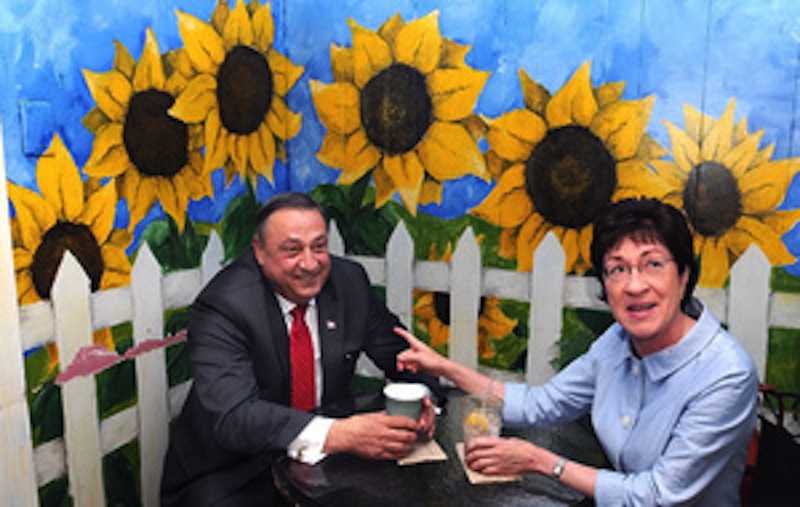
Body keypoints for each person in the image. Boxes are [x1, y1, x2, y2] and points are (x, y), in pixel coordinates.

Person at [396, 197, 758, 506]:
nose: (634, 285)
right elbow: (540, 405)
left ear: (684, 277)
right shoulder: (617, 343)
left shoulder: (725, 374)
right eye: (617, 269)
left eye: (653, 264)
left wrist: (541, 461)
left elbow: (656, 496)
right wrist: (442, 365)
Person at [161, 192, 443, 506]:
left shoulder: (349, 282)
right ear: (260, 252)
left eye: (319, 247)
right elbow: (235, 417)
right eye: (292, 250)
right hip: (236, 470)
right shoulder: (224, 305)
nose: (310, 264)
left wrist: (421, 400)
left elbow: (406, 357)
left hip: (323, 465)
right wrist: (341, 434)